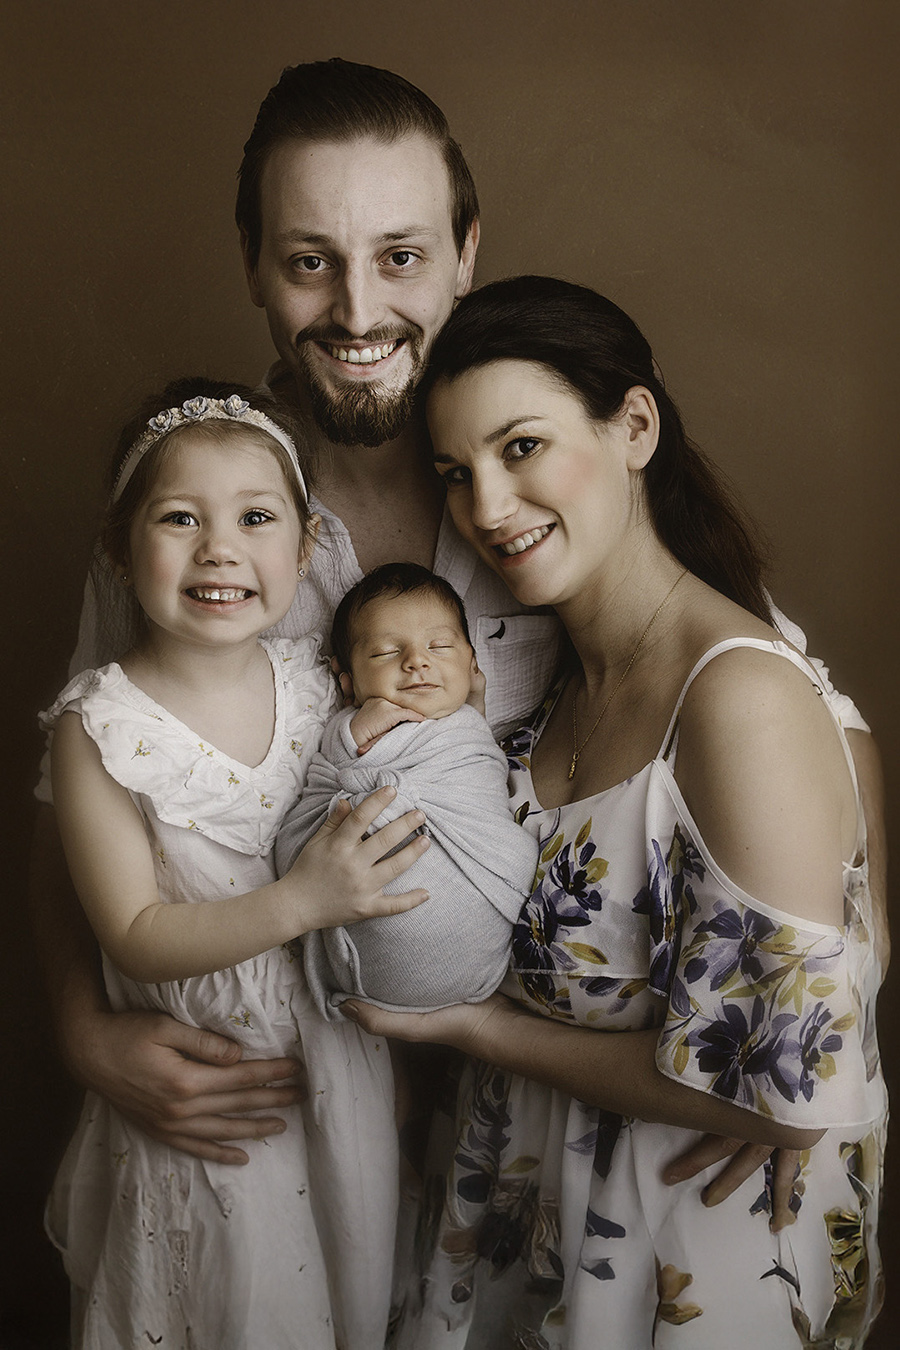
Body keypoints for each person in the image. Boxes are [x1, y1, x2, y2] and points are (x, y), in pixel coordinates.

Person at [29, 54, 885, 1313]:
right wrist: (81, 1029)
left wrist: (822, 1020)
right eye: (310, 259)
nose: (359, 308)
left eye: (402, 255)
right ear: (255, 265)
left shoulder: (533, 477)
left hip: (517, 1131)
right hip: (272, 1131)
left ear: (467, 250)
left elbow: (814, 722)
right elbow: (83, 793)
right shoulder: (199, 515)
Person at [346, 277, 888, 1348]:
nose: (488, 509)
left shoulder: (736, 695)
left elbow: (774, 1085)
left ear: (634, 426)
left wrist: (467, 1026)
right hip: (524, 1205)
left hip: (682, 1247)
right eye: (458, 473)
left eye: (523, 447)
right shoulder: (540, 670)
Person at [42, 378, 432, 1349]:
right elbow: (132, 929)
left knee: (350, 1300)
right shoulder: (98, 732)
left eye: (256, 517)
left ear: (304, 552)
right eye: (180, 518)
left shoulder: (319, 682)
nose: (220, 548)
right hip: (213, 1114)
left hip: (341, 1084)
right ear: (118, 548)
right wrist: (301, 900)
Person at [276, 562, 539, 1019]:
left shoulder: (471, 731)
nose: (417, 661)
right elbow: (329, 782)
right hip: (374, 937)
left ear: (472, 664)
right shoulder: (355, 727)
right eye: (384, 653)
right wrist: (352, 739)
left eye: (440, 646)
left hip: (482, 929)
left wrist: (472, 708)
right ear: (349, 683)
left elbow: (482, 775)